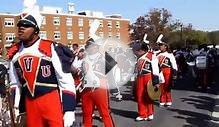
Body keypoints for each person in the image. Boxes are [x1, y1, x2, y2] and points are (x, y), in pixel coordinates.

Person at [8, 0, 76, 126]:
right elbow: (15, 83)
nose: (21, 28)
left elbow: (65, 79)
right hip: (30, 105)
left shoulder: (50, 48)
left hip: (52, 101)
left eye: (26, 25)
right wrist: (16, 106)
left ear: (36, 30)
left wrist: (69, 109)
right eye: (20, 25)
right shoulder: (14, 53)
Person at [80, 19, 114, 127]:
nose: (88, 47)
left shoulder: (103, 55)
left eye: (91, 45)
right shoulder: (84, 58)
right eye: (87, 45)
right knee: (86, 113)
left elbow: (111, 64)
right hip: (86, 88)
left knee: (104, 113)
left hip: (99, 87)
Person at [133, 37, 160, 121]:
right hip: (140, 78)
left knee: (148, 95)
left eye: (137, 50)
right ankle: (142, 114)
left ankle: (150, 113)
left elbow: (155, 69)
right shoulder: (139, 58)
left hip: (149, 76)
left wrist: (156, 82)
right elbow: (136, 70)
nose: (136, 52)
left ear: (142, 50)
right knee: (140, 96)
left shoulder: (151, 56)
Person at [156, 34, 178, 107]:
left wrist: (174, 73)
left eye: (161, 45)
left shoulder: (169, 54)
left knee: (167, 86)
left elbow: (174, 64)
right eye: (159, 45)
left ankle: (168, 100)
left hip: (168, 71)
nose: (160, 47)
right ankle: (162, 100)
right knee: (161, 86)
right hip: (160, 71)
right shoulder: (157, 54)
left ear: (165, 46)